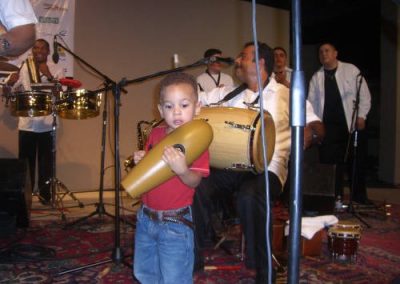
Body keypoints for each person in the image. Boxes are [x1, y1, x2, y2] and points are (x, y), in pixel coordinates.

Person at [132, 72, 210, 283]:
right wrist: (142, 160)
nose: (176, 112)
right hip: (145, 218)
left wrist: (182, 169)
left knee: (175, 277)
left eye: (184, 105)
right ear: (160, 109)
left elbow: (195, 181)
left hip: (175, 224)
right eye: (169, 106)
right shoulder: (156, 134)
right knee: (144, 273)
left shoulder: (198, 141)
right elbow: (149, 173)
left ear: (197, 107)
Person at [308, 42, 371, 204]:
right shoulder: (317, 77)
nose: (323, 54)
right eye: (320, 52)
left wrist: (362, 115)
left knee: (355, 162)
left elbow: (364, 95)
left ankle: (359, 197)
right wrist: (314, 124)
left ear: (335, 53)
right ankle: (334, 197)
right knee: (329, 164)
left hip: (350, 124)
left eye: (327, 50)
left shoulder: (351, 70)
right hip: (328, 127)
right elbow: (311, 103)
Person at [5, 39, 64, 204]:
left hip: (47, 123)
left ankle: (46, 196)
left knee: (46, 163)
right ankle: (25, 198)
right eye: (36, 48)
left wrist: (50, 76)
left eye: (42, 48)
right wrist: (9, 83)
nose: (39, 51)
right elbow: (11, 89)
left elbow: (61, 94)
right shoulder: (25, 67)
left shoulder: (57, 69)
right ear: (32, 51)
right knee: (26, 162)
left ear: (48, 51)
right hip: (27, 123)